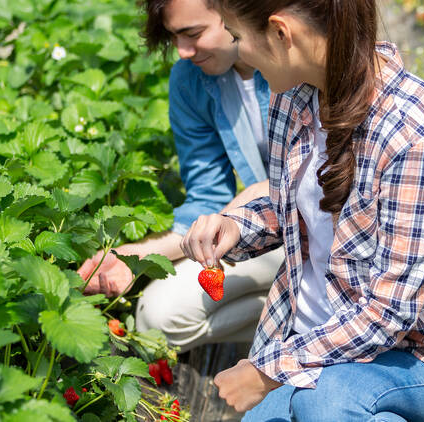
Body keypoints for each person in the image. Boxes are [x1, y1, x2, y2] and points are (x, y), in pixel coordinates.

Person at [180, 0, 424, 420]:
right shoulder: (294, 98)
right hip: (304, 342)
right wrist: (237, 226)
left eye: (236, 35)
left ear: (281, 33)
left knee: (327, 403)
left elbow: (389, 313)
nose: (237, 52)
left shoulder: (414, 135)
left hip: (413, 359)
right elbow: (307, 207)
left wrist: (266, 373)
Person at [77, 0, 284, 352]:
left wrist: (233, 215)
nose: (183, 51)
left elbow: (313, 174)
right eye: (173, 36)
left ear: (233, 12)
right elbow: (209, 199)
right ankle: (294, 316)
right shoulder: (191, 81)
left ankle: (307, 317)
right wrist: (134, 256)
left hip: (332, 229)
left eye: (193, 34)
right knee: (158, 319)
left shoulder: (293, 58)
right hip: (263, 231)